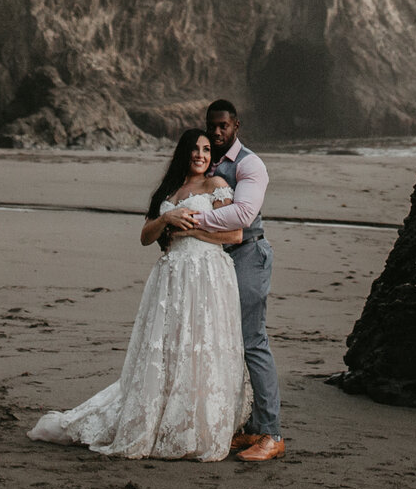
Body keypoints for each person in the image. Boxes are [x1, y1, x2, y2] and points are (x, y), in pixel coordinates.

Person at [27, 129, 253, 459]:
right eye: (194, 149)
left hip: (207, 275)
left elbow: (234, 234)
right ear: (184, 153)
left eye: (206, 149)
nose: (201, 155)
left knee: (199, 345)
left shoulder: (216, 186)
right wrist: (167, 218)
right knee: (166, 348)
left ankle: (193, 422)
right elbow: (146, 236)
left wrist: (187, 230)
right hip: (171, 275)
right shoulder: (169, 190)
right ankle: (154, 413)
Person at [162, 99, 283, 462]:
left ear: (236, 126)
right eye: (211, 126)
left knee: (252, 341)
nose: (216, 132)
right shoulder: (208, 162)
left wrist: (191, 221)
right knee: (225, 343)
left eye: (223, 126)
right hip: (215, 259)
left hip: (248, 255)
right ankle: (250, 428)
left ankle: (272, 434)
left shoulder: (250, 164)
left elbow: (244, 214)